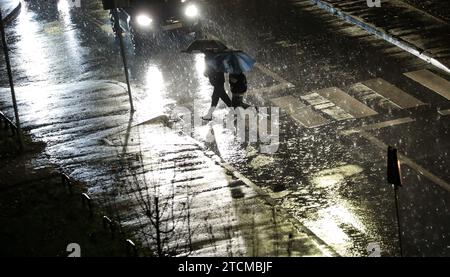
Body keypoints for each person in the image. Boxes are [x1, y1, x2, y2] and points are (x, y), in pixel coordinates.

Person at [202, 52, 232, 121]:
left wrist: (208, 72)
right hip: (217, 81)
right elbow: (209, 68)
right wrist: (206, 72)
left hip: (218, 81)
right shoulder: (212, 57)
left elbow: (214, 69)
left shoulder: (215, 57)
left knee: (215, 98)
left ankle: (209, 114)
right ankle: (235, 111)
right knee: (225, 98)